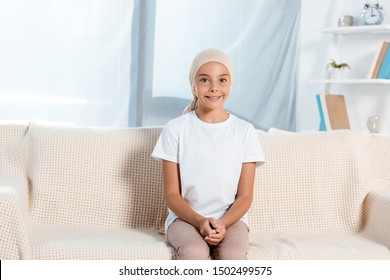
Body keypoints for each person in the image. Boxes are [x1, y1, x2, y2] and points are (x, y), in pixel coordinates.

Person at [152, 48, 265, 260]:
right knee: (194, 253)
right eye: (205, 80)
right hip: (184, 220)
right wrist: (199, 222)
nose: (214, 88)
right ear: (193, 85)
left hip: (231, 221)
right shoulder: (176, 129)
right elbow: (172, 195)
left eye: (222, 80)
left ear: (230, 84)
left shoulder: (245, 131)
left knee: (233, 256)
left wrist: (222, 224)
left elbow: (245, 196)